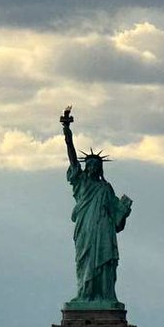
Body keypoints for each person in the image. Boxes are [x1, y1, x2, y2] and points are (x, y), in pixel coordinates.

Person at [61, 109, 132, 306]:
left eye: (95, 165)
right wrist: (67, 132)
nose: (91, 167)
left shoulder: (105, 188)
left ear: (100, 168)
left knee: (105, 264)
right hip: (85, 230)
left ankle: (105, 296)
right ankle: (85, 294)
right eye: (89, 164)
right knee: (84, 261)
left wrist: (124, 211)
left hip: (104, 231)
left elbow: (117, 221)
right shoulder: (81, 182)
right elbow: (73, 158)